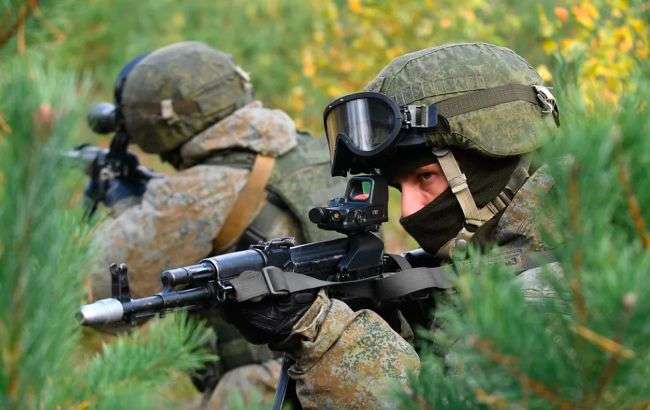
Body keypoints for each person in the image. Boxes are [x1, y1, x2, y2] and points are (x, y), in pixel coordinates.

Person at [221, 42, 560, 408]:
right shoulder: (497, 262)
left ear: (493, 159)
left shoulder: (555, 291)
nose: (407, 212)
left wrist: (324, 336)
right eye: (400, 188)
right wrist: (391, 324)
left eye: (425, 177)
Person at [85, 41, 347, 409]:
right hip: (349, 364)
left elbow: (98, 295)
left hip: (266, 389)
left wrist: (123, 204)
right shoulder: (314, 151)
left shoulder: (196, 193)